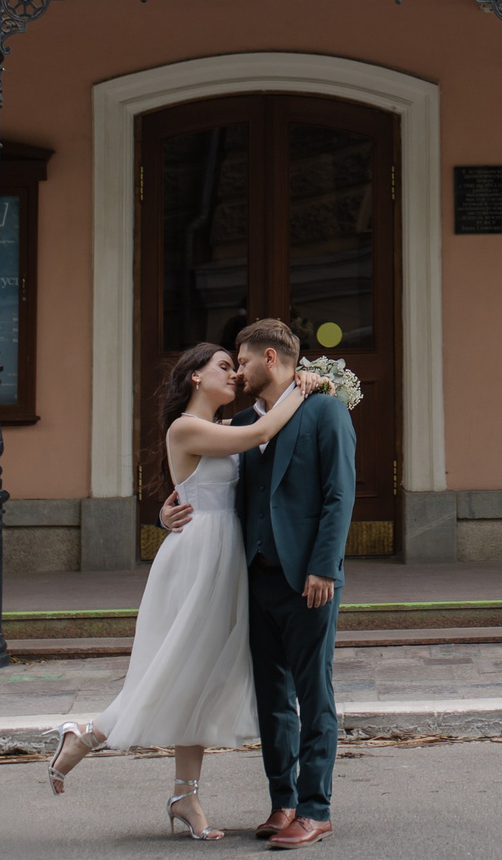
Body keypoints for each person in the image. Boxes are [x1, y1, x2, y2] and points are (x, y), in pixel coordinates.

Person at [44, 339, 331, 840]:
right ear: (195, 376)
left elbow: (213, 482)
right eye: (225, 366)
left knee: (199, 675)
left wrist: (304, 383)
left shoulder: (223, 427)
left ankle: (184, 797)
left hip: (225, 557)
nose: (236, 375)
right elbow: (264, 429)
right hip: (199, 558)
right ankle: (86, 734)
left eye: (237, 365)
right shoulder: (187, 427)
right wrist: (303, 388)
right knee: (176, 665)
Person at [157, 318, 356, 850]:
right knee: (271, 699)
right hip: (252, 579)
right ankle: (283, 802)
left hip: (307, 580)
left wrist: (323, 568)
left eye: (242, 362)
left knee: (314, 695)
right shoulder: (242, 422)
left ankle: (316, 810)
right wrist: (168, 511)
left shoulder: (325, 410)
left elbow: (340, 496)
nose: (238, 373)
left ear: (271, 359)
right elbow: (212, 490)